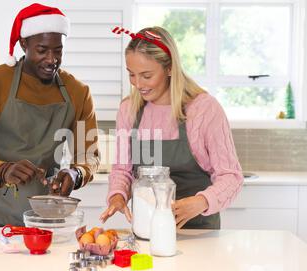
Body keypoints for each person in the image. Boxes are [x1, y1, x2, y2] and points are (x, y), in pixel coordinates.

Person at [0, 3, 99, 227]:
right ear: (24, 44)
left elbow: (89, 155)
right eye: (42, 50)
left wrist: (75, 173)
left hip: (48, 219)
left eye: (58, 50)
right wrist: (2, 170)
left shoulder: (78, 92)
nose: (52, 59)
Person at [100, 26, 243, 229]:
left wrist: (200, 202)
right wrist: (117, 196)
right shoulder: (129, 109)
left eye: (146, 75)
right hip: (146, 228)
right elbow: (123, 169)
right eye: (131, 74)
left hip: (198, 231)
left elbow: (231, 176)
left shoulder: (203, 109)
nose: (138, 84)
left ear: (169, 69)